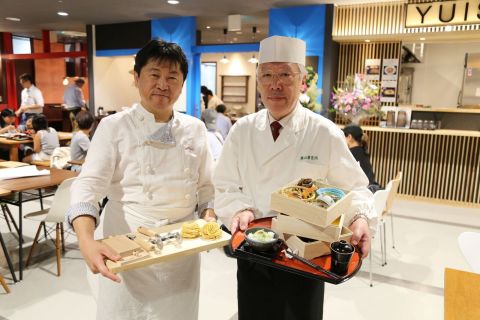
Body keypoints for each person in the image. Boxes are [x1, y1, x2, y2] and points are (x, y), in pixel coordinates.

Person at [213, 35, 375, 320]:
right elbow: (224, 184)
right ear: (259, 80)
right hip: (255, 249)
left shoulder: (323, 132)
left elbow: (355, 188)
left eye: (285, 74)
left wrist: (360, 217)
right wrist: (239, 208)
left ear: (301, 81)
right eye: (267, 75)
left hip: (307, 254)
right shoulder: (243, 131)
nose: (276, 84)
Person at [66, 39, 215, 320]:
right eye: (154, 74)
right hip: (127, 249)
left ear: (182, 84)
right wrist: (86, 239)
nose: (163, 84)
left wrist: (209, 215)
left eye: (173, 77)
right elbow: (88, 185)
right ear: (136, 78)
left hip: (181, 254)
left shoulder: (195, 129)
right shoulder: (114, 127)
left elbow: (207, 187)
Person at [343, 124, 381, 193]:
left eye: (343, 136)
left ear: (349, 137)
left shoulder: (351, 154)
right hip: (372, 188)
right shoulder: (363, 150)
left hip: (364, 191)